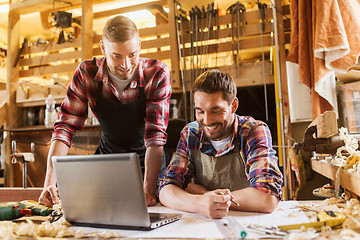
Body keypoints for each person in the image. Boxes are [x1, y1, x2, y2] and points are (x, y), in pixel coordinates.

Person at [39, 15, 171, 207]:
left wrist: (149, 190)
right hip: (107, 162)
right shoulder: (86, 73)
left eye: (132, 55)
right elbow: (65, 128)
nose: (126, 65)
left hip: (149, 163)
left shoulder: (157, 73)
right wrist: (49, 182)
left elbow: (156, 137)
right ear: (103, 48)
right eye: (116, 56)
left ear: (140, 45)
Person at [158, 69, 283, 219]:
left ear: (233, 106)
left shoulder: (253, 131)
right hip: (204, 224)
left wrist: (206, 196)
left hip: (247, 223)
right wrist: (199, 203)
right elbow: (166, 189)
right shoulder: (192, 133)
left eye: (215, 111)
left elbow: (267, 198)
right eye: (200, 111)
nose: (208, 120)